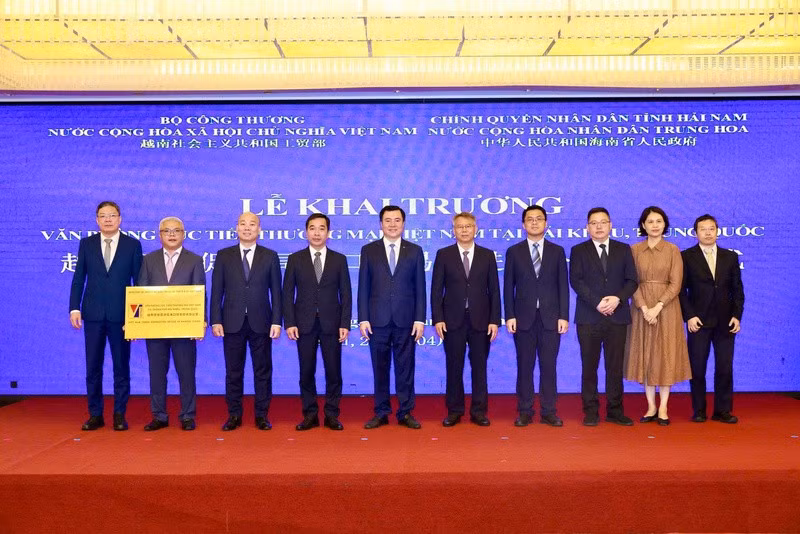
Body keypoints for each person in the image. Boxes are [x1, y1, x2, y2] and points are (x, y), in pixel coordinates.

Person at [69, 201, 143, 431]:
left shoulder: (132, 245)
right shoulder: (87, 244)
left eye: (112, 215)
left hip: (121, 316)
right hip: (92, 315)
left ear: (120, 219)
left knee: (121, 367)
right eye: (103, 216)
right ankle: (95, 414)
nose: (108, 219)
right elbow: (79, 277)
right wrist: (74, 307)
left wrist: (136, 318)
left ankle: (119, 414)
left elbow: (138, 283)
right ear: (97, 220)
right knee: (93, 366)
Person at [210, 212, 282, 431]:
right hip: (231, 322)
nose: (247, 228)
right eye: (243, 224)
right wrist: (215, 319)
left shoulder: (269, 256)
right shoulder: (224, 255)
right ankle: (234, 415)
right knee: (233, 372)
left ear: (259, 229)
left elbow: (276, 292)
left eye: (252, 224)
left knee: (262, 371)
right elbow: (217, 291)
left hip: (262, 322)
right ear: (236, 228)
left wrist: (277, 321)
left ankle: (261, 415)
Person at [358, 205, 426, 429]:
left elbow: (420, 288)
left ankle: (405, 412)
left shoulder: (414, 251)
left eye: (397, 220)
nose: (393, 224)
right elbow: (363, 287)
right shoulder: (369, 250)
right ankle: (381, 412)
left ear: (404, 224)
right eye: (388, 220)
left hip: (406, 320)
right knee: (380, 368)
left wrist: (419, 318)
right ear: (381, 224)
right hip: (377, 320)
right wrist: (363, 318)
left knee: (406, 368)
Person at [569, 207, 638, 427]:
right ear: (587, 227)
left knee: (615, 367)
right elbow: (576, 281)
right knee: (589, 366)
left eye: (603, 222)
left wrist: (617, 299)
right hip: (589, 317)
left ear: (611, 225)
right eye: (594, 223)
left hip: (617, 317)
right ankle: (590, 411)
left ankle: (615, 411)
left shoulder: (623, 249)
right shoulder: (579, 250)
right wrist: (598, 302)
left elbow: (632, 281)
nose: (599, 226)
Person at [283, 214, 352, 431]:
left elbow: (346, 294)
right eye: (312, 228)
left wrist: (345, 323)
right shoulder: (295, 259)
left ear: (328, 233)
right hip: (303, 324)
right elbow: (287, 294)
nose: (317, 232)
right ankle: (310, 414)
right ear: (306, 233)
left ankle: (332, 414)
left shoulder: (339, 259)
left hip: (332, 324)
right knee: (306, 371)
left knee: (333, 372)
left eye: (321, 228)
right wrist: (290, 322)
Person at [431, 212, 500, 427]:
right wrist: (438, 318)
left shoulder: (487, 255)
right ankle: (454, 410)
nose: (464, 230)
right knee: (454, 367)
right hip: (452, 321)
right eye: (459, 227)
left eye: (468, 226)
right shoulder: (444, 255)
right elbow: (436, 290)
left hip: (481, 320)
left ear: (475, 228)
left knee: (479, 367)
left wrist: (494, 320)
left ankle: (479, 411)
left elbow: (495, 291)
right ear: (453, 230)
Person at [137, 217, 206, 431]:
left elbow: (200, 293)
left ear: (183, 234)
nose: (172, 234)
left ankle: (187, 415)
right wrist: (136, 324)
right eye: (167, 231)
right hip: (155, 328)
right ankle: (159, 416)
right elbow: (141, 293)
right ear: (160, 235)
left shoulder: (194, 260)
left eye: (176, 230)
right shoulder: (148, 260)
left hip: (184, 327)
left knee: (186, 373)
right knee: (157, 373)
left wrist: (200, 321)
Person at [624, 207, 691, 426]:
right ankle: (651, 406)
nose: (654, 225)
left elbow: (676, 283)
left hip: (667, 309)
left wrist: (657, 307)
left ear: (665, 224)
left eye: (659, 221)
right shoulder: (633, 250)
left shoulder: (673, 250)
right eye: (650, 221)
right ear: (643, 225)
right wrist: (644, 308)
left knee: (665, 355)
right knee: (646, 355)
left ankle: (663, 407)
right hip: (640, 308)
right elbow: (631, 282)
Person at [504, 205, 569, 427]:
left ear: (546, 223)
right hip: (523, 319)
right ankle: (525, 411)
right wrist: (509, 315)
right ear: (523, 225)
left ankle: (549, 411)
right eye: (530, 219)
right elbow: (507, 287)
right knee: (525, 366)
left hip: (551, 318)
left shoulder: (557, 251)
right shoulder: (514, 251)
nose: (534, 222)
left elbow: (563, 285)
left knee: (549, 366)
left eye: (539, 219)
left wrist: (564, 316)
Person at [679, 214, 744, 424]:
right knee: (697, 368)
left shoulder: (730, 257)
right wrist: (689, 316)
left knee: (725, 367)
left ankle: (722, 410)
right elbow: (681, 291)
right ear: (695, 233)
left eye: (711, 228)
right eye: (703, 229)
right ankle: (699, 410)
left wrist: (736, 315)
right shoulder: (686, 256)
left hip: (726, 321)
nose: (707, 232)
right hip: (698, 321)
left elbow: (737, 290)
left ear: (717, 231)